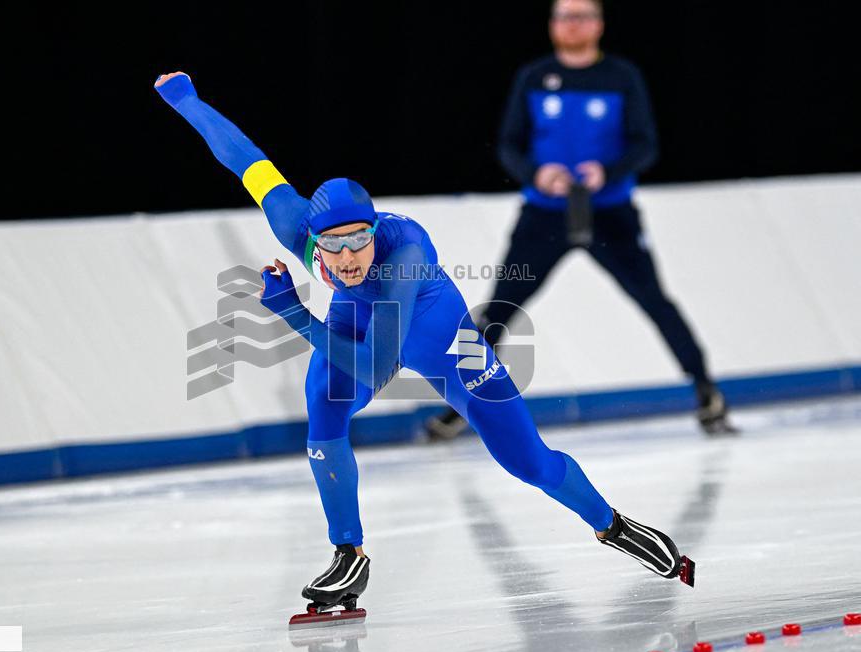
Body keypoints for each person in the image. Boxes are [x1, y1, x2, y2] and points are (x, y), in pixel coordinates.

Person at [153, 70, 695, 617]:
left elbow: (374, 366)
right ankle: (349, 552)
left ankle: (612, 524)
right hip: (361, 322)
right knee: (324, 406)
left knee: (528, 464)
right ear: (310, 240)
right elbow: (246, 160)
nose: (347, 259)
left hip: (438, 341)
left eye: (359, 241)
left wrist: (293, 312)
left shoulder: (403, 256)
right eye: (334, 247)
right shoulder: (294, 226)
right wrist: (187, 100)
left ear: (374, 230)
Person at [426, 0, 736, 440]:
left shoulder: (621, 77)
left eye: (582, 16)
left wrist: (605, 173)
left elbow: (645, 144)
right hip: (545, 215)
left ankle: (706, 389)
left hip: (609, 214)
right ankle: (463, 403)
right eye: (564, 16)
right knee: (499, 308)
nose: (573, 25)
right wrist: (538, 173)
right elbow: (509, 145)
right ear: (552, 25)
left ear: (599, 24)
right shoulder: (534, 78)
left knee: (653, 299)